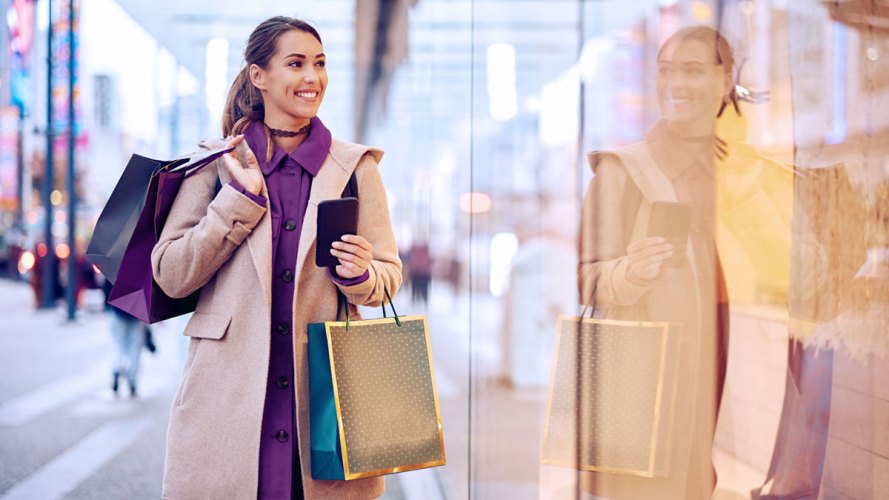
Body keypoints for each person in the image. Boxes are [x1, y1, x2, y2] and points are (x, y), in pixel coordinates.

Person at [150, 17, 402, 499]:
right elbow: (171, 274)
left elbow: (388, 276)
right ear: (258, 76)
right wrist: (234, 204)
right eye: (296, 64)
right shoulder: (214, 164)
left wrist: (361, 274)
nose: (313, 77)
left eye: (320, 64)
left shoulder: (356, 168)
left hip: (326, 408)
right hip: (227, 404)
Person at [576, 26, 734, 499]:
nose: (675, 85)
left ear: (725, 82)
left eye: (693, 71)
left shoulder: (740, 172)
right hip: (649, 384)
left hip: (725, 373)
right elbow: (587, 280)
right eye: (667, 72)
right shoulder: (623, 171)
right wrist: (630, 273)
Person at [102, 278, 147, 397]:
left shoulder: (114, 264)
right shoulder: (141, 267)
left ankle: (116, 368)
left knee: (117, 343)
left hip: (117, 310)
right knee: (135, 346)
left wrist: (106, 305)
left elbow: (106, 286)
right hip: (136, 311)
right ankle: (132, 378)